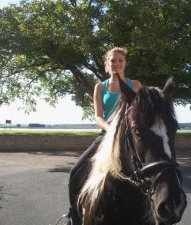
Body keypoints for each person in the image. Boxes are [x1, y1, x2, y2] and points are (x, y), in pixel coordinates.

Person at [66, 47, 142, 225]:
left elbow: (143, 112)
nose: (116, 64)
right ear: (107, 64)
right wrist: (111, 130)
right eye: (113, 61)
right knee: (75, 171)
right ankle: (74, 216)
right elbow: (98, 116)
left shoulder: (136, 85)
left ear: (125, 63)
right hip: (106, 136)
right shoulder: (100, 87)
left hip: (130, 137)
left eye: (120, 60)